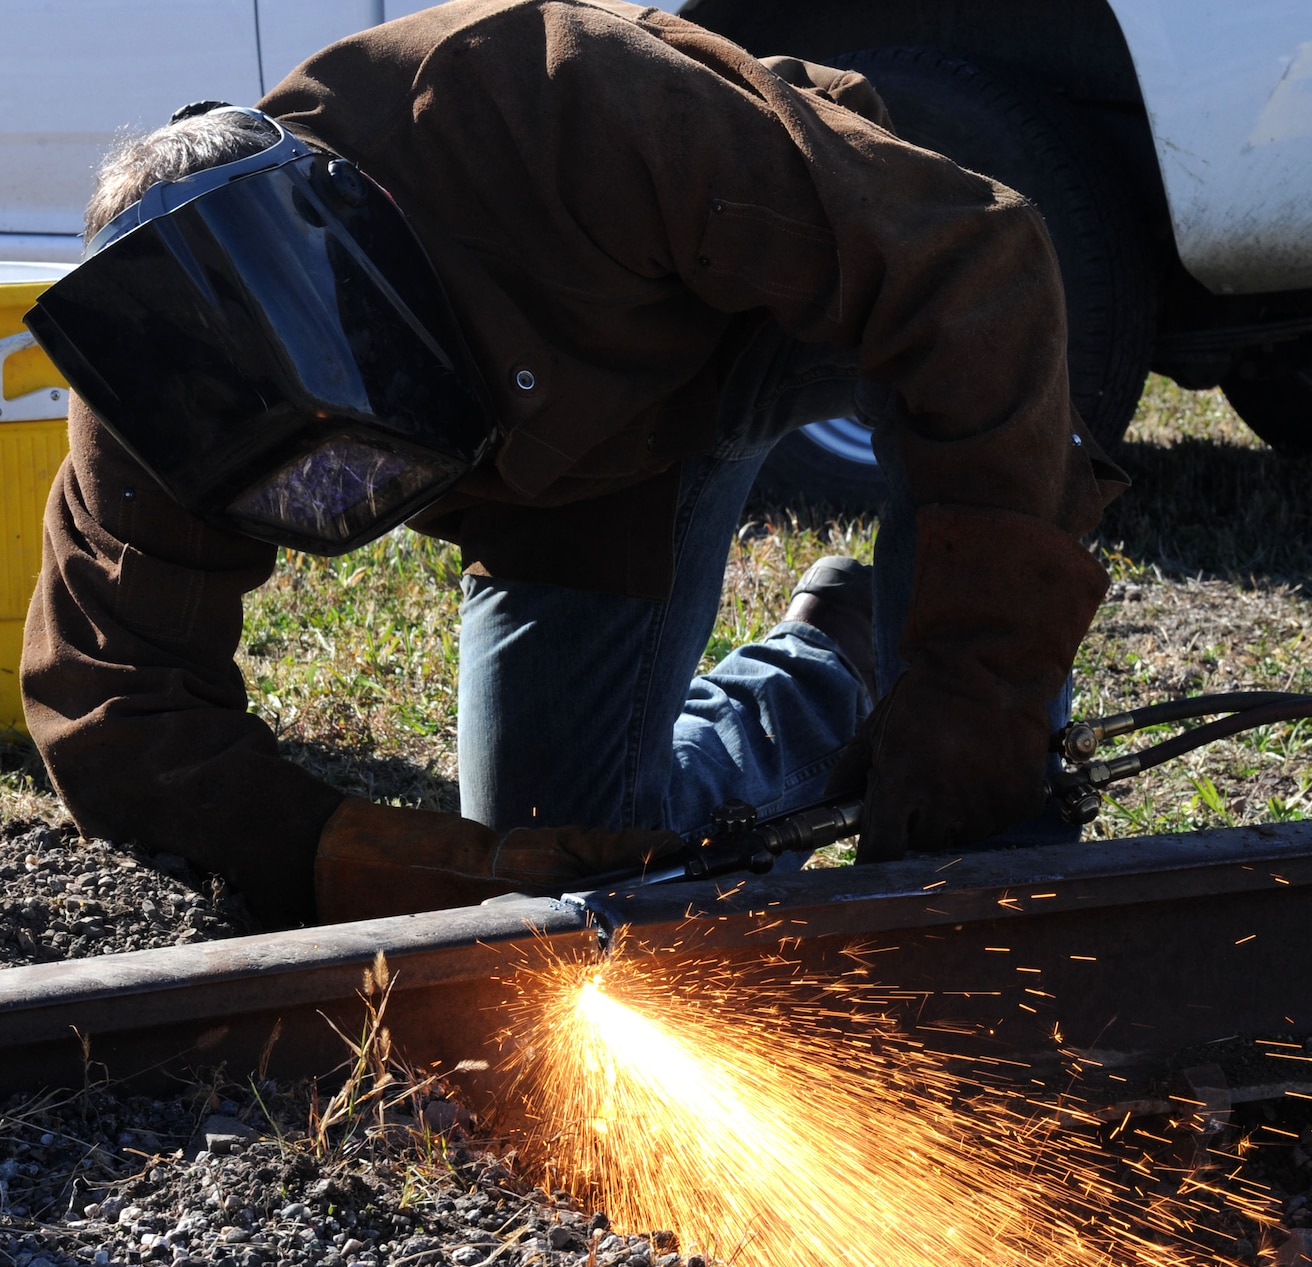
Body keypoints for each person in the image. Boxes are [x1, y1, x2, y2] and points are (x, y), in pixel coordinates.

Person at [20, 0, 1124, 928]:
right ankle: (834, 670)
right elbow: (116, 703)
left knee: (974, 771)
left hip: (760, 308)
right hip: (571, 477)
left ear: (378, 245)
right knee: (566, 866)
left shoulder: (558, 106)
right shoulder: (156, 387)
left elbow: (976, 263)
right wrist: (345, 855)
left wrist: (974, 680)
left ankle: (1005, 854)